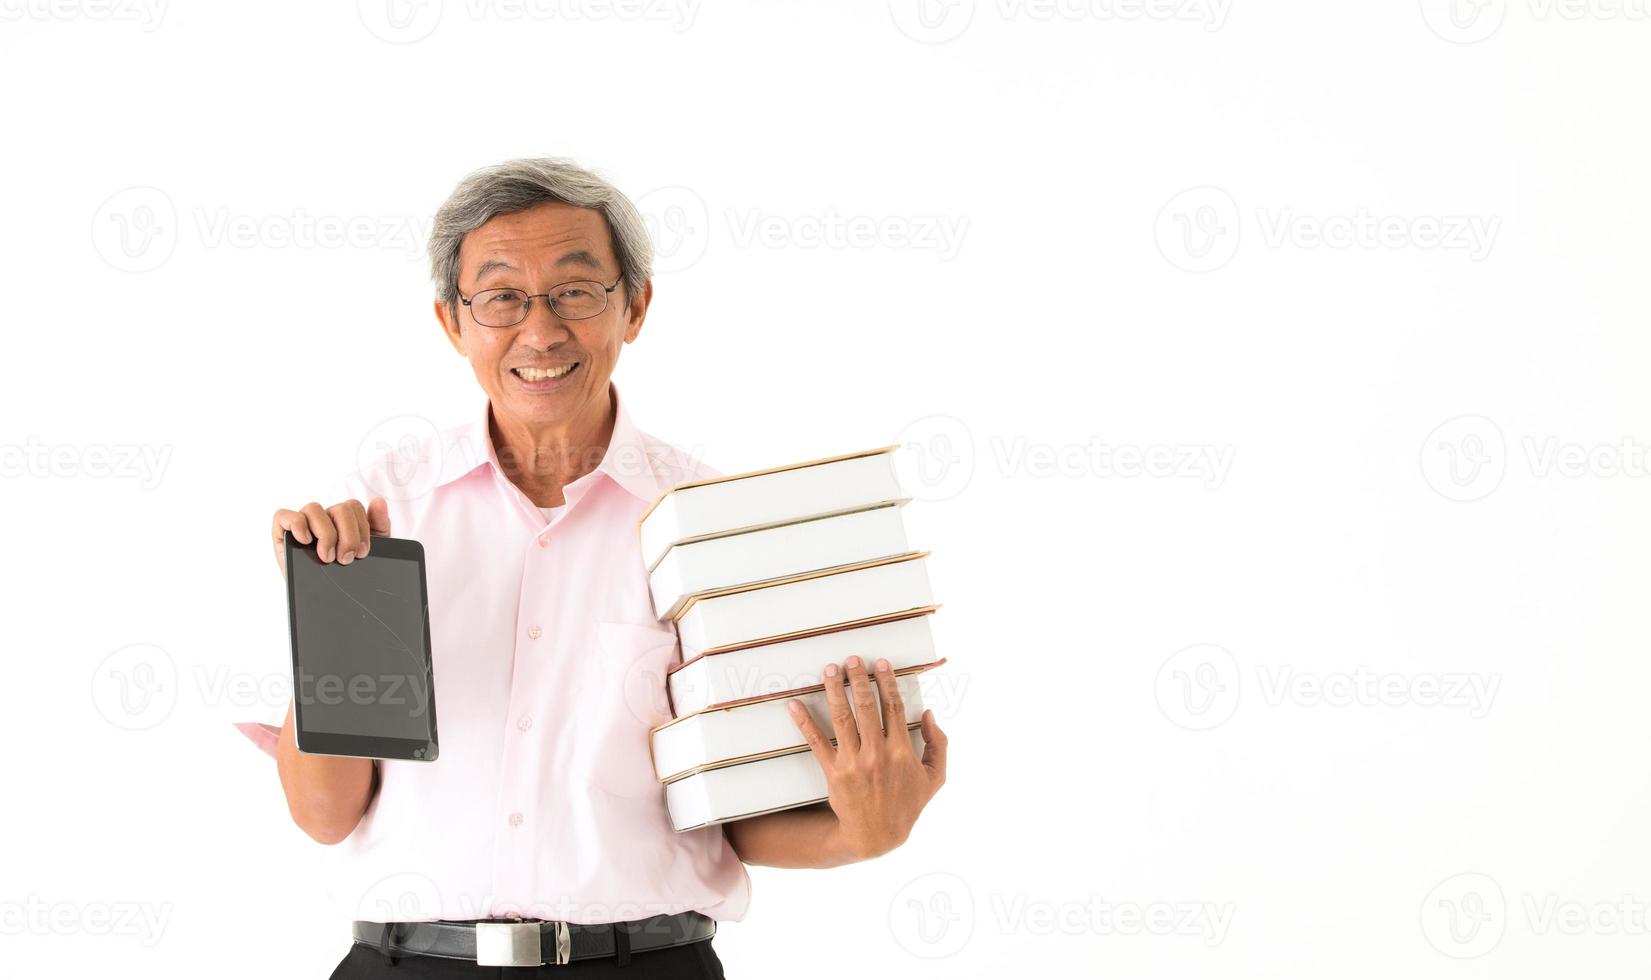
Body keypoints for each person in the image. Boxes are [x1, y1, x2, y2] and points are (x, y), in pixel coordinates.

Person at [264, 158, 949, 977]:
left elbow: (729, 818)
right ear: (453, 322)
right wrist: (335, 611)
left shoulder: (711, 525)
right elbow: (324, 814)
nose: (542, 331)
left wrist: (864, 830)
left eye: (575, 291)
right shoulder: (382, 509)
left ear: (636, 306)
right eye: (502, 297)